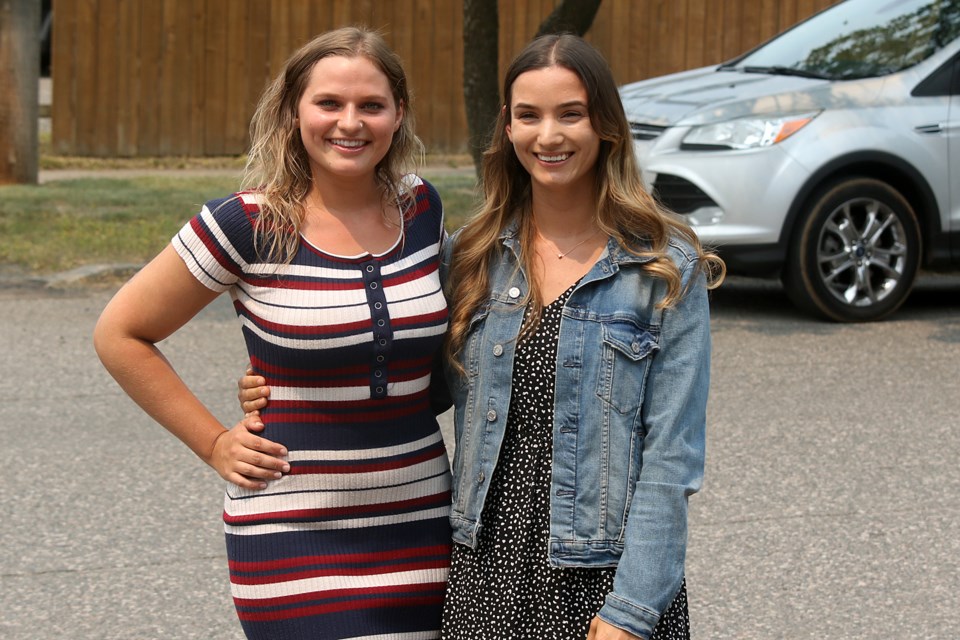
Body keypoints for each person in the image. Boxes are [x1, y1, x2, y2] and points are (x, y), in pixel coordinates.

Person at [239, 34, 724, 640]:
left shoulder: (662, 269)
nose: (549, 136)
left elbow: (671, 460)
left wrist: (631, 610)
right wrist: (289, 388)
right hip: (485, 574)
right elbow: (410, 386)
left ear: (606, 125)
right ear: (508, 127)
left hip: (605, 577)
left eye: (570, 114)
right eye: (529, 115)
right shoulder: (471, 257)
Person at [94, 27, 453, 639]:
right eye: (329, 103)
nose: (351, 122)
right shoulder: (243, 223)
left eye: (372, 105)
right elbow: (120, 333)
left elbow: (431, 361)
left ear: (398, 115)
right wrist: (213, 443)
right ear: (293, 113)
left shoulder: (421, 209)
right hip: (291, 528)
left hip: (420, 520)